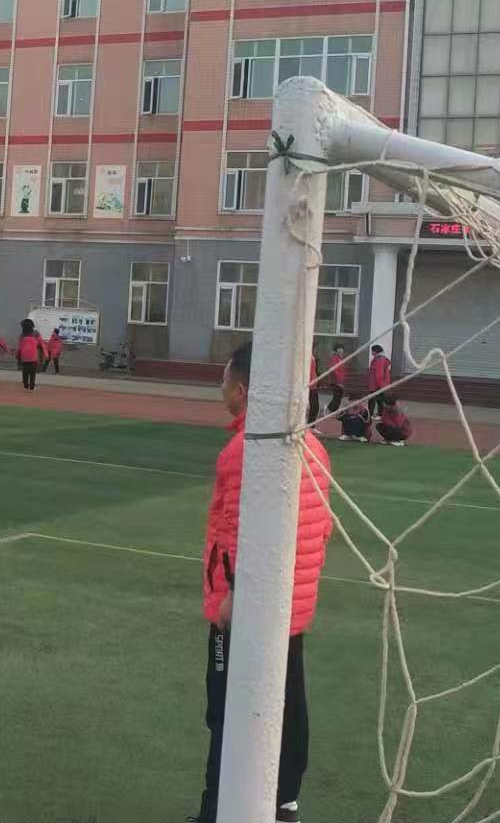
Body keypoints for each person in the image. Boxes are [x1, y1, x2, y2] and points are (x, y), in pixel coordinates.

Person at [196, 341, 333, 823]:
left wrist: (233, 597)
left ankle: (220, 810)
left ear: (242, 390)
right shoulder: (311, 443)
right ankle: (282, 803)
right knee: (286, 706)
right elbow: (321, 527)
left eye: (224, 379)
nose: (221, 388)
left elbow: (240, 531)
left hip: (248, 609)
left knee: (227, 712)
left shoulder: (248, 449)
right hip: (291, 604)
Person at [321, 344, 348, 416]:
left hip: (340, 381)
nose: (341, 350)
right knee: (337, 397)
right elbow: (333, 370)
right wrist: (338, 382)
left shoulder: (340, 358)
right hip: (335, 381)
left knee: (338, 397)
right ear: (336, 350)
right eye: (339, 349)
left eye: (342, 348)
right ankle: (329, 409)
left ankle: (330, 409)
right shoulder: (334, 358)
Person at [16, 319, 43, 392]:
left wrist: (17, 354)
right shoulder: (36, 333)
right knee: (32, 372)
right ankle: (31, 386)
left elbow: (20, 347)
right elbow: (42, 343)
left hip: (24, 356)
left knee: (25, 371)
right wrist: (45, 353)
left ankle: (25, 384)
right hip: (33, 356)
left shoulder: (22, 335)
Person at [367, 344, 393, 418]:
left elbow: (379, 374)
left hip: (377, 385)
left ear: (376, 351)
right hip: (379, 384)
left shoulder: (379, 360)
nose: (371, 352)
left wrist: (379, 386)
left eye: (372, 351)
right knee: (380, 400)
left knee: (374, 400)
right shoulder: (379, 359)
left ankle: (372, 414)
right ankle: (379, 414)